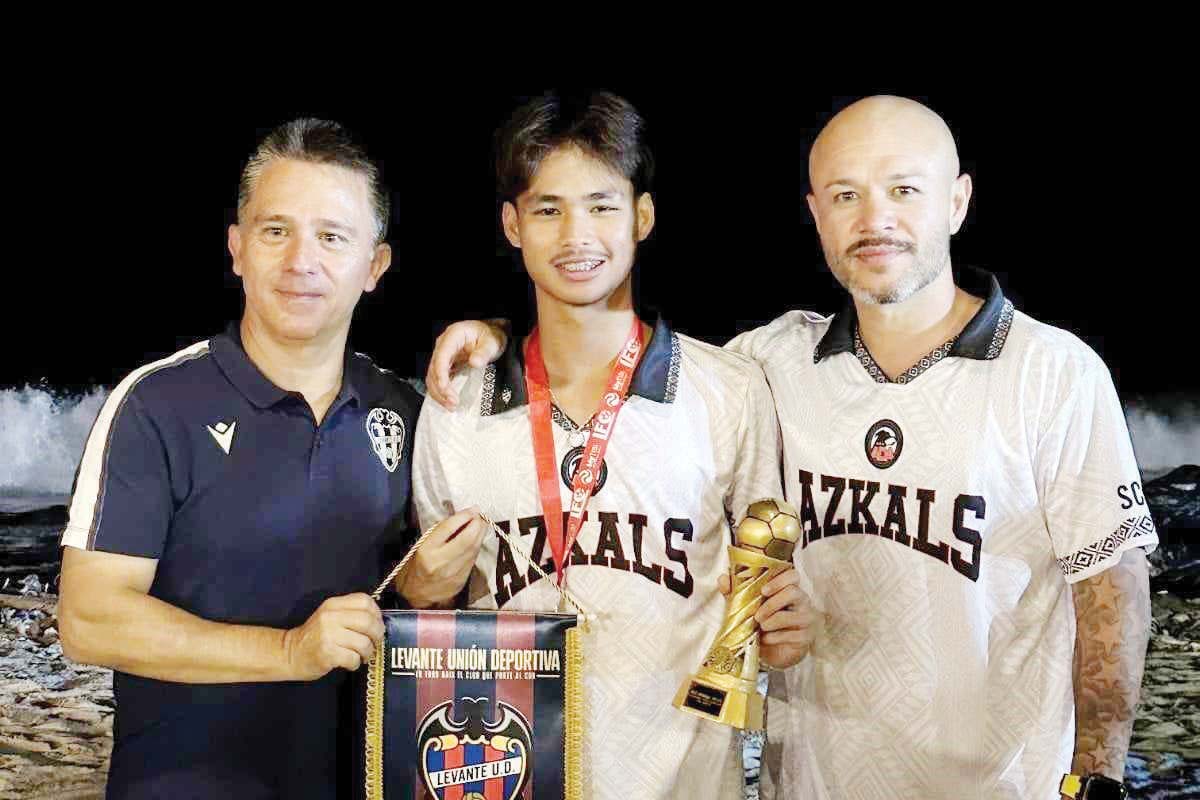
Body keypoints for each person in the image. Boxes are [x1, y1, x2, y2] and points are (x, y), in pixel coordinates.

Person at [426, 95, 1158, 799]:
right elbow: (620, 365)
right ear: (816, 213)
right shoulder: (771, 365)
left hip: (1000, 787)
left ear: (957, 201)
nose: (875, 220)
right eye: (845, 196)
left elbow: (1112, 588)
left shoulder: (1051, 371)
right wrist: (493, 338)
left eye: (903, 190)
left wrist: (1093, 783)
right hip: (807, 783)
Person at [57, 118, 484, 799]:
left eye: (332, 237)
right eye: (275, 230)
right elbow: (88, 619)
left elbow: (406, 603)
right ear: (237, 248)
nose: (300, 262)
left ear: (374, 266)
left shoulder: (404, 412)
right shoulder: (156, 405)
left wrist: (425, 588)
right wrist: (289, 651)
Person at [409, 91, 808, 800]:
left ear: (642, 217)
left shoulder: (729, 390)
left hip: (687, 782)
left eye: (601, 205)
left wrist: (783, 629)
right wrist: (416, 589)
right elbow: (427, 607)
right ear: (512, 225)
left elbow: (768, 587)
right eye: (548, 209)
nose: (576, 236)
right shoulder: (457, 399)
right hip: (508, 775)